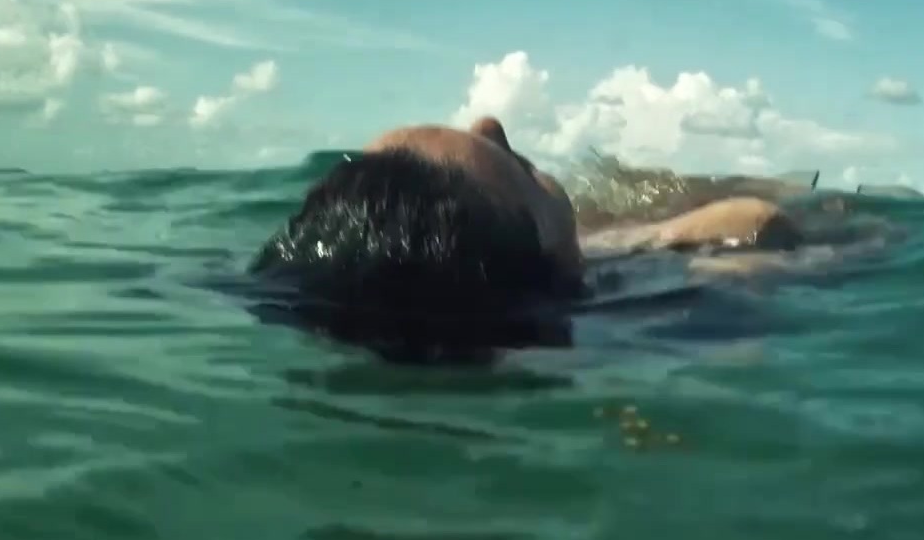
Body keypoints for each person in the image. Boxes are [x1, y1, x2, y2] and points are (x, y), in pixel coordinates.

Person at [247, 116, 801, 362]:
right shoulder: (607, 307)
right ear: (555, 256)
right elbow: (753, 221)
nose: (488, 122)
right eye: (522, 168)